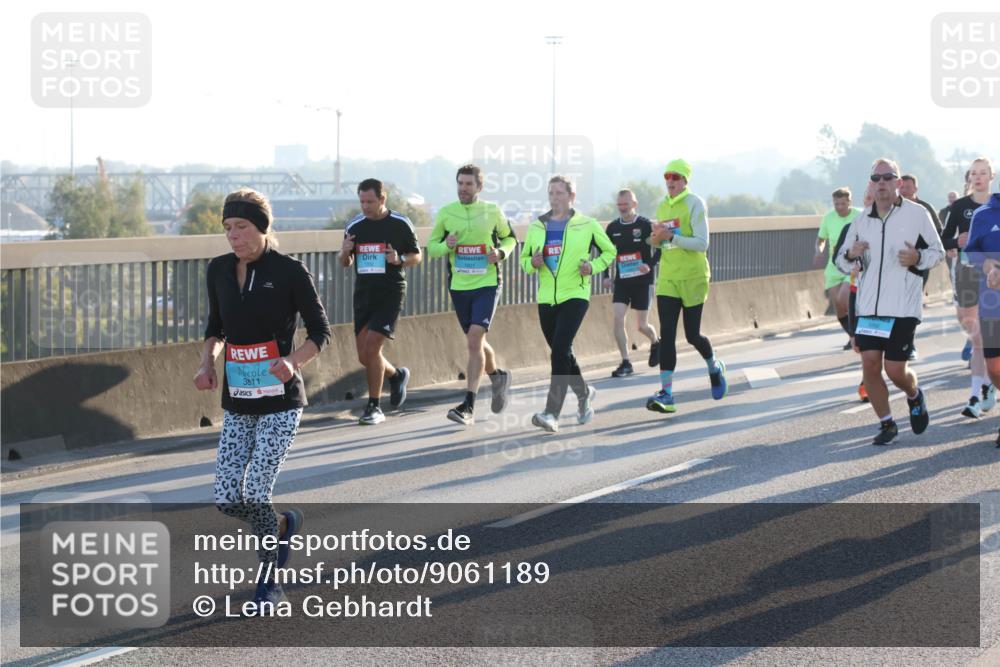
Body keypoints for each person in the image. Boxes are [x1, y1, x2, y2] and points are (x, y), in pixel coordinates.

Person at [196, 188, 331, 608]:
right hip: (238, 400)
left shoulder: (289, 271)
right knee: (226, 498)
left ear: (262, 228)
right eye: (227, 228)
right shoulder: (219, 269)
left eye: (241, 227)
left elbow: (321, 332)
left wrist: (292, 361)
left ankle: (270, 582)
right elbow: (216, 328)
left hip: (280, 400)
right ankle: (282, 524)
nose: (233, 236)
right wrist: (207, 364)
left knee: (255, 491)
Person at [834, 158, 944, 445]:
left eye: (887, 177)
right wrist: (851, 254)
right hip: (869, 307)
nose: (881, 182)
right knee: (870, 365)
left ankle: (914, 395)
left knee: (895, 370)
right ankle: (887, 423)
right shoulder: (861, 220)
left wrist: (917, 257)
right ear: (871, 184)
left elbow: (938, 252)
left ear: (898, 182)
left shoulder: (917, 214)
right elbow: (841, 263)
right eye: (876, 178)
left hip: (903, 306)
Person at [520, 175, 616, 432]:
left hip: (575, 295)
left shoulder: (587, 224)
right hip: (546, 298)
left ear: (572, 196)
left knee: (559, 350)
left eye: (560, 193)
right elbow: (524, 260)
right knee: (562, 353)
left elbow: (610, 251)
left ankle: (552, 413)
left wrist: (592, 267)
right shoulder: (537, 226)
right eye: (551, 193)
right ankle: (583, 393)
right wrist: (532, 263)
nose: (555, 197)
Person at [428, 164, 516, 425]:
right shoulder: (446, 213)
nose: (463, 188)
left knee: (474, 339)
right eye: (460, 183)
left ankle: (468, 406)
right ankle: (498, 377)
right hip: (459, 286)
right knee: (476, 341)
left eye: (468, 184)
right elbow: (432, 247)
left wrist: (500, 253)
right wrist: (447, 245)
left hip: (487, 283)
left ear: (479, 186)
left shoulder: (492, 211)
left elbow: (511, 239)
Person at [646, 159, 728, 413]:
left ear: (685, 181)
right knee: (667, 334)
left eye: (676, 177)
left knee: (693, 335)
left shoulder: (695, 203)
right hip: (668, 278)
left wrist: (671, 236)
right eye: (667, 177)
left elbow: (702, 243)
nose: (670, 181)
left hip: (693, 277)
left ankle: (714, 367)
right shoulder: (662, 206)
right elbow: (663, 244)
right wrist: (655, 238)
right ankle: (667, 394)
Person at [341, 178, 421, 425]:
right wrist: (344, 251)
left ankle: (374, 406)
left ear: (382, 199)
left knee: (373, 348)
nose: (365, 206)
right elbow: (345, 263)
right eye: (362, 202)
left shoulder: (400, 223)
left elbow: (416, 256)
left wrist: (399, 259)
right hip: (364, 294)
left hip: (390, 292)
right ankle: (396, 376)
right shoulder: (354, 225)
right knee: (364, 357)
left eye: (370, 201)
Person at [941, 158, 997, 418]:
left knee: (985, 338)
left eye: (983, 173)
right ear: (969, 177)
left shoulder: (995, 207)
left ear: (991, 176)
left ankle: (979, 392)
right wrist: (956, 241)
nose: (978, 177)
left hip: (992, 277)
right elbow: (943, 239)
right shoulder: (960, 206)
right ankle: (985, 386)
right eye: (974, 173)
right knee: (977, 336)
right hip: (966, 272)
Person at [601, 188, 660, 377]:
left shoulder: (645, 225)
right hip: (622, 281)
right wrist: (606, 276)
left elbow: (661, 248)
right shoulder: (613, 228)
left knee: (641, 326)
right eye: (619, 205)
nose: (622, 208)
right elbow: (606, 252)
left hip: (643, 281)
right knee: (618, 318)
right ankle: (626, 361)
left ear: (634, 204)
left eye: (625, 204)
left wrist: (649, 265)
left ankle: (656, 341)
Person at [963, 189, 1000, 446]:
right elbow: (971, 252)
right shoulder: (983, 214)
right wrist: (987, 265)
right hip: (993, 304)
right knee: (994, 366)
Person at [813, 188, 862, 350]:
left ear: (850, 202)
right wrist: (818, 251)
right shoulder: (828, 218)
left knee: (844, 298)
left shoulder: (859, 215)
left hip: (852, 265)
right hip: (834, 267)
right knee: (839, 307)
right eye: (836, 204)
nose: (839, 207)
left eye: (843, 204)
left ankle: (859, 335)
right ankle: (853, 336)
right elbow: (821, 239)